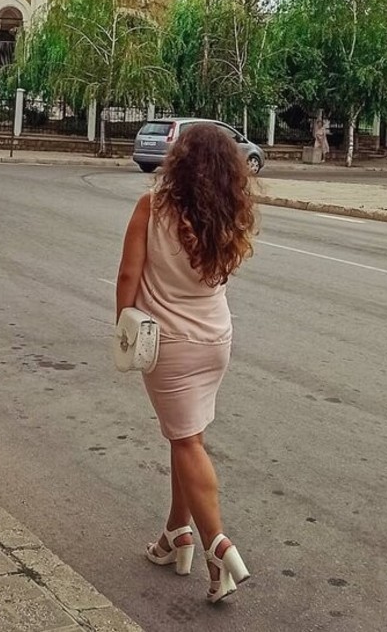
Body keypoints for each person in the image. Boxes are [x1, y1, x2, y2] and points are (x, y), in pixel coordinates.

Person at [115, 122, 256, 604]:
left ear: (179, 162)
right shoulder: (227, 215)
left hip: (170, 344)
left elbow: (128, 275)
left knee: (185, 441)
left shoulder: (152, 207)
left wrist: (124, 328)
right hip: (216, 339)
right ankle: (176, 534)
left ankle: (218, 546)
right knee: (186, 437)